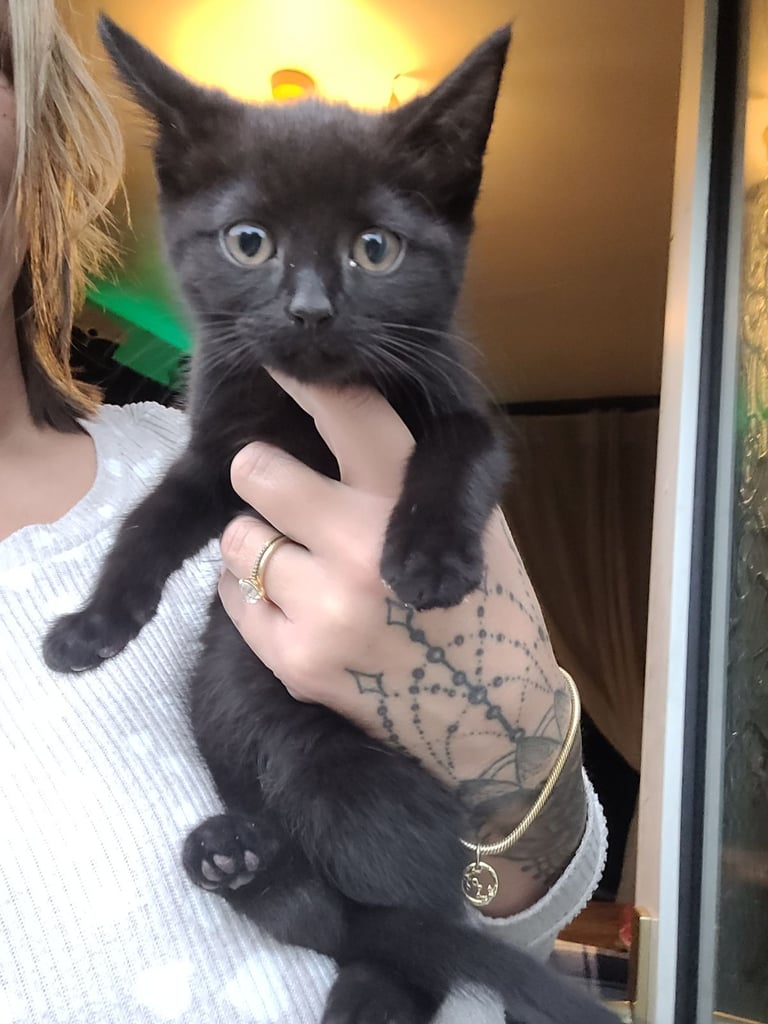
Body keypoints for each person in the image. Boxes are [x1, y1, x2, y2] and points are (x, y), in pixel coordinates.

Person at [0, 2, 607, 1022]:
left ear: (46, 128)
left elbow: (511, 902)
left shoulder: (229, 461)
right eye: (254, 237)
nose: (313, 300)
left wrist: (515, 746)